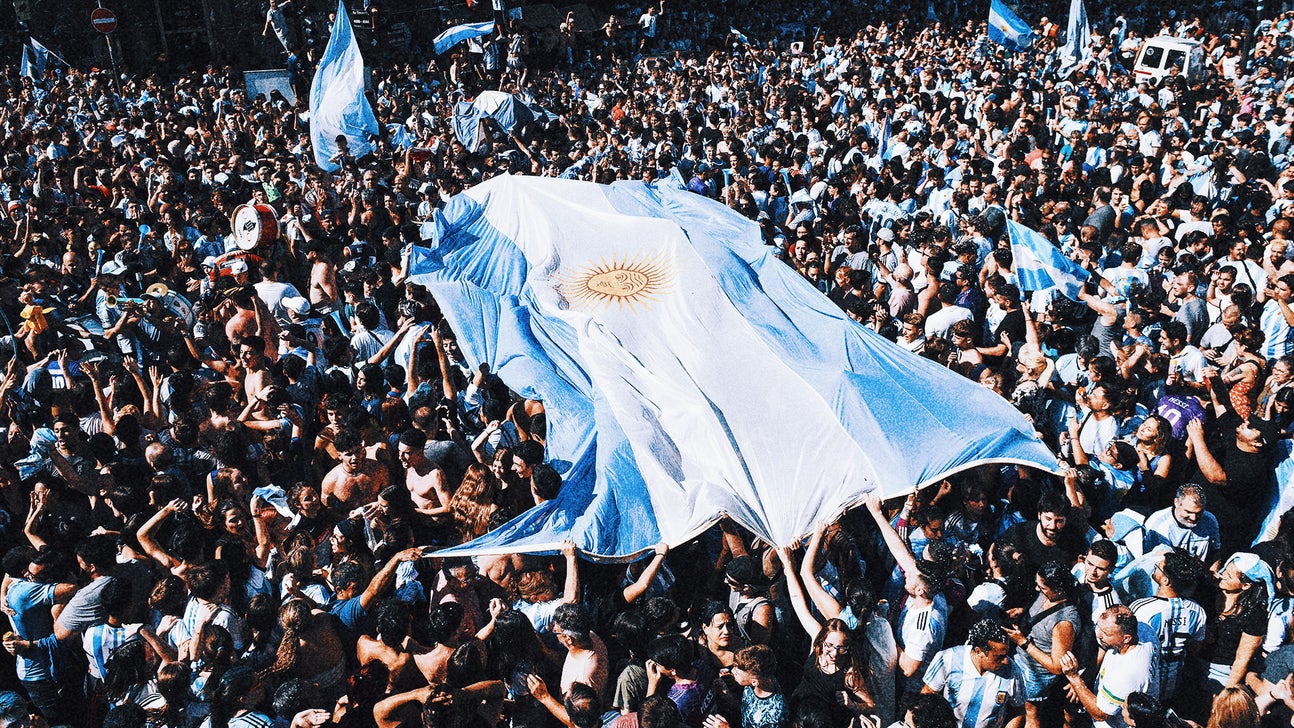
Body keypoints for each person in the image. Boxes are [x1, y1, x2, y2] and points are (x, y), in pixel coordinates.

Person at [1059, 606, 1159, 728]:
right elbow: (1105, 647)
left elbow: (1100, 713)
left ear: (1126, 638)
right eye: (1099, 628)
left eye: (1105, 633)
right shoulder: (1144, 630)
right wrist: (1083, 680)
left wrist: (1074, 678)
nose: (1099, 635)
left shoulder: (1127, 674)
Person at [922, 619, 1025, 728]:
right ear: (979, 651)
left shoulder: (1012, 670)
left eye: (1006, 654)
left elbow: (1018, 710)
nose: (1005, 661)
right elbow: (926, 697)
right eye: (999, 657)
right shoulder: (948, 659)